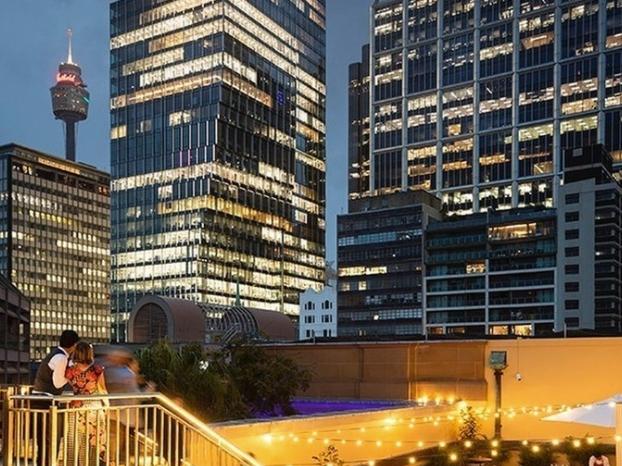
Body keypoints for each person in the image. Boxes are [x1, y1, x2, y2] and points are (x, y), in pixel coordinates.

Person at [31, 329, 80, 465]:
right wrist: (70, 377)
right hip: (46, 402)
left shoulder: (56, 355)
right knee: (51, 440)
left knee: (43, 442)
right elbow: (58, 383)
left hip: (38, 399)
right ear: (74, 345)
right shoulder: (61, 358)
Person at [65, 341, 108, 466]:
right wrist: (107, 406)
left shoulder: (70, 371)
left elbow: (73, 386)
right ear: (89, 353)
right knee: (94, 445)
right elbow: (102, 389)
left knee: (76, 444)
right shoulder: (96, 370)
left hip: (76, 409)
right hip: (94, 408)